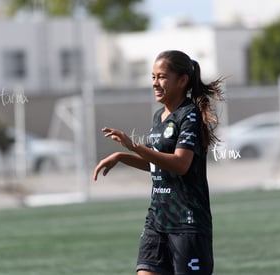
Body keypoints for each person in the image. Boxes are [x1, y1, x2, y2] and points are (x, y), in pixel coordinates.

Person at [93, 50, 223, 275]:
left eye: (162, 77)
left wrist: (133, 146)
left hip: (187, 223)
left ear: (182, 81)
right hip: (157, 219)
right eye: (153, 77)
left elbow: (180, 164)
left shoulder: (189, 115)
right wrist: (122, 157)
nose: (155, 83)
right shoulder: (158, 116)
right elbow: (158, 165)